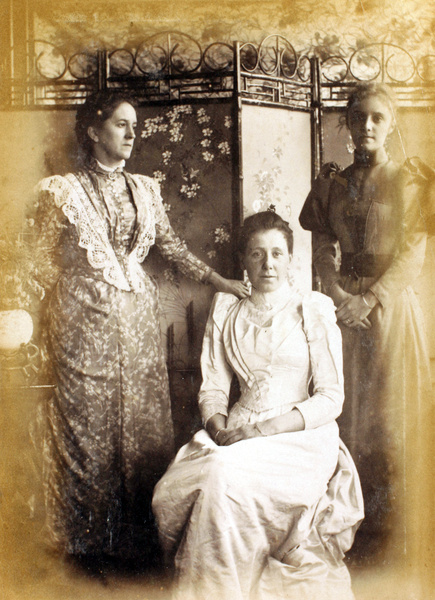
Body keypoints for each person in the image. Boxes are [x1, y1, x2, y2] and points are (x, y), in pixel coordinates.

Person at [32, 90, 249, 569]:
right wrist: (21, 316)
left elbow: (170, 246)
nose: (132, 134)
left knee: (142, 427)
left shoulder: (145, 189)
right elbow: (39, 261)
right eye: (121, 124)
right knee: (88, 430)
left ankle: (137, 543)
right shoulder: (61, 190)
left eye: (135, 126)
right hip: (81, 322)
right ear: (93, 130)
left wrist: (220, 281)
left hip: (136, 323)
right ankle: (86, 551)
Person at [152, 210, 364, 600]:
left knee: (220, 479)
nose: (268, 264)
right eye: (257, 254)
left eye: (278, 254)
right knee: (196, 479)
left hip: (298, 436)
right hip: (235, 431)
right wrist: (219, 430)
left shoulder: (312, 309)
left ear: (290, 258)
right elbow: (214, 389)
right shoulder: (227, 309)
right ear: (244, 259)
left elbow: (331, 398)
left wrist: (262, 431)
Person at [299, 83, 432, 561]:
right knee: (348, 409)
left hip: (391, 312)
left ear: (391, 122)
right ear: (347, 125)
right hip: (342, 313)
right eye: (358, 119)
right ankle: (350, 521)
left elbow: (413, 255)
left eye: (377, 117)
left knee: (391, 411)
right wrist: (335, 293)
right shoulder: (331, 183)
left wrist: (371, 298)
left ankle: (398, 531)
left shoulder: (411, 180)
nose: (367, 127)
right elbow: (321, 249)